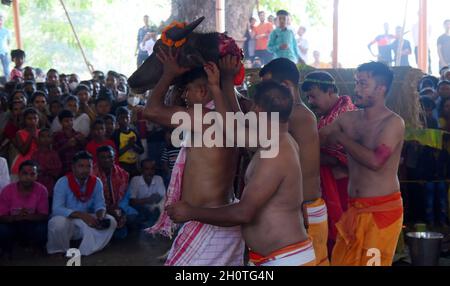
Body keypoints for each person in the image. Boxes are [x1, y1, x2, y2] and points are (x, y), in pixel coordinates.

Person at [168, 68, 315, 266]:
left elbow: (243, 212)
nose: (251, 110)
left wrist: (191, 212)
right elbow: (232, 130)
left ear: (259, 110)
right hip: (275, 257)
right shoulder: (274, 139)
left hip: (286, 259)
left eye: (254, 105)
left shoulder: (277, 153)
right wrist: (215, 86)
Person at [144, 48, 244, 266]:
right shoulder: (232, 116)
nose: (183, 97)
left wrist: (168, 73)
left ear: (201, 90)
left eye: (186, 90)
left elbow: (150, 111)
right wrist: (225, 80)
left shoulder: (205, 118)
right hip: (219, 220)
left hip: (208, 223)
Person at [320, 62, 404, 266]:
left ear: (381, 88)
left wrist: (342, 138)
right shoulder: (347, 119)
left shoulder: (393, 122)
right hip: (353, 207)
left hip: (382, 211)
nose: (356, 89)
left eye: (363, 84)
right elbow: (316, 139)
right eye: (356, 83)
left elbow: (376, 161)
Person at [256, 58, 324, 265]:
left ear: (286, 86)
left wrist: (223, 86)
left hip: (305, 209)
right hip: (302, 209)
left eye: (268, 89)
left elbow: (245, 136)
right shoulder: (291, 115)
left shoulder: (297, 115)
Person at [302, 71, 356, 256]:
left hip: (344, 189)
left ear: (330, 90)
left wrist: (310, 155)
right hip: (333, 186)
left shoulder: (345, 116)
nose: (310, 102)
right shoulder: (328, 116)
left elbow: (350, 159)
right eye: (308, 97)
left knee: (343, 239)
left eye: (314, 96)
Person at [47, 151, 117, 256]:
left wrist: (100, 217)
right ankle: (58, 251)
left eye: (88, 166)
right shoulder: (63, 182)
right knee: (57, 223)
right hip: (68, 219)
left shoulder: (96, 182)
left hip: (87, 219)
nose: (85, 170)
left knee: (111, 221)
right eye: (81, 166)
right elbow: (57, 209)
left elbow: (100, 205)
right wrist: (81, 215)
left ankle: (87, 249)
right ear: (73, 167)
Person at [0, 161, 48, 257]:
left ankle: (38, 248)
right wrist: (16, 218)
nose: (28, 177)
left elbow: (44, 215)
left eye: (32, 174)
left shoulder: (42, 190)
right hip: (13, 224)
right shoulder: (7, 190)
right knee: (2, 229)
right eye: (24, 173)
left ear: (37, 176)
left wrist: (27, 216)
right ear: (19, 174)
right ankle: (6, 250)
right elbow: (1, 216)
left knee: (43, 228)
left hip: (32, 224)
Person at [92, 146, 131, 240]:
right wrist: (109, 211)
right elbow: (91, 200)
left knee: (134, 217)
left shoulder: (122, 174)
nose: (106, 160)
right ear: (97, 159)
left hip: (118, 208)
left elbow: (126, 196)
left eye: (109, 157)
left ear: (114, 159)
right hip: (99, 210)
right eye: (103, 157)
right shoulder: (91, 175)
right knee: (118, 234)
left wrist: (121, 211)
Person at [129, 160, 165, 228]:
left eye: (152, 169)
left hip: (154, 207)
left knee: (162, 205)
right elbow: (132, 201)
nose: (150, 172)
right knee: (135, 214)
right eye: (147, 169)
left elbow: (160, 197)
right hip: (140, 209)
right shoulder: (135, 180)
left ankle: (150, 224)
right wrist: (149, 199)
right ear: (141, 170)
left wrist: (141, 201)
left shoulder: (158, 178)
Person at [53, 110, 87, 175]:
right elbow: (55, 154)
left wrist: (82, 141)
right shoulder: (56, 136)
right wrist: (66, 145)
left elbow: (84, 151)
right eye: (66, 121)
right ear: (60, 122)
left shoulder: (78, 134)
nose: (69, 123)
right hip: (64, 168)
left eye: (71, 120)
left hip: (78, 168)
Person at [31, 129, 62, 200]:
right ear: (38, 139)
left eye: (48, 136)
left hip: (50, 186)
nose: (46, 139)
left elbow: (58, 171)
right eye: (43, 136)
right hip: (37, 186)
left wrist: (45, 169)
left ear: (52, 139)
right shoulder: (35, 154)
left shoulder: (54, 154)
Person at [113, 107, 144, 178]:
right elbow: (116, 154)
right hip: (122, 165)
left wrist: (134, 146)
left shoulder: (134, 132)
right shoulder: (116, 134)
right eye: (122, 118)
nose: (125, 120)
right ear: (117, 119)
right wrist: (128, 146)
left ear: (130, 118)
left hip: (134, 164)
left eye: (127, 117)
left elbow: (141, 150)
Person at [11, 108, 40, 179]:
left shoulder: (41, 132)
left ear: (38, 119)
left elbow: (43, 147)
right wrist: (30, 135)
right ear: (24, 120)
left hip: (39, 161)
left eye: (35, 118)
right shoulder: (19, 133)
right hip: (23, 162)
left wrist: (35, 136)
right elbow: (23, 151)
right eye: (29, 119)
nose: (33, 121)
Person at [0, 14, 11, 80]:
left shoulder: (7, 31)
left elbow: (9, 42)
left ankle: (8, 84)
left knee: (6, 70)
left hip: (4, 52)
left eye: (0, 20)